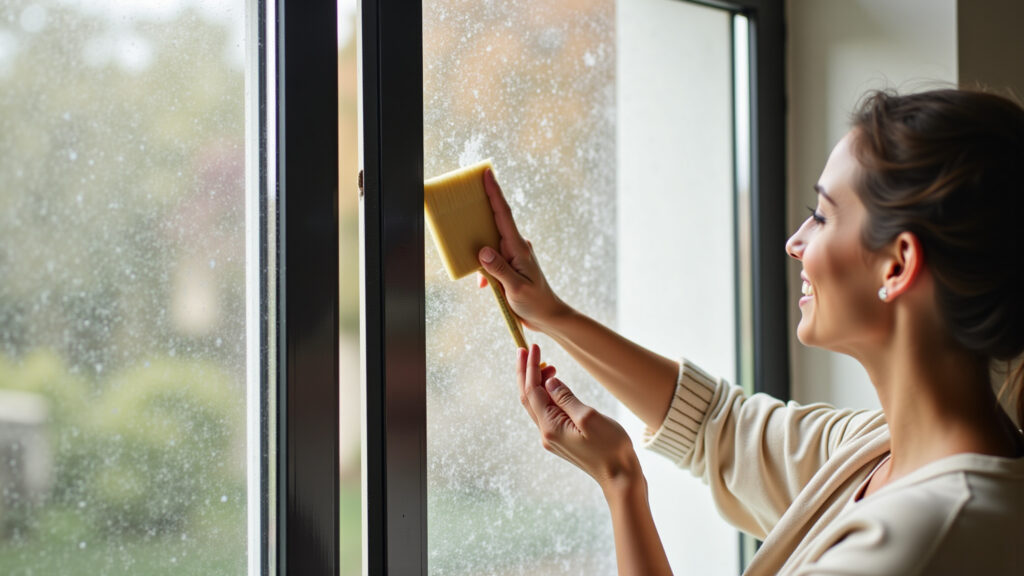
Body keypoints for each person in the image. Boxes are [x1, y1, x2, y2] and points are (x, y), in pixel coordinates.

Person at [475, 88, 1024, 575]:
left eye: (823, 215)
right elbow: (718, 424)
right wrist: (550, 312)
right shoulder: (880, 450)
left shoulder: (914, 542)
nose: (795, 241)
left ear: (897, 266)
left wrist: (621, 483)